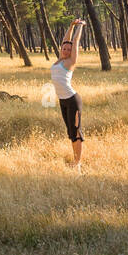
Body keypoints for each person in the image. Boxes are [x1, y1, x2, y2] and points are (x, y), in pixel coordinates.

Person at [51, 19, 85, 168]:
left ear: (72, 52)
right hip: (63, 101)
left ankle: (77, 163)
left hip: (72, 100)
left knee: (76, 131)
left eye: (68, 50)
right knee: (70, 131)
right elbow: (66, 40)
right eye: (63, 49)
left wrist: (80, 26)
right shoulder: (59, 60)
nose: (65, 50)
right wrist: (71, 25)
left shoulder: (70, 62)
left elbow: (74, 41)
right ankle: (75, 160)